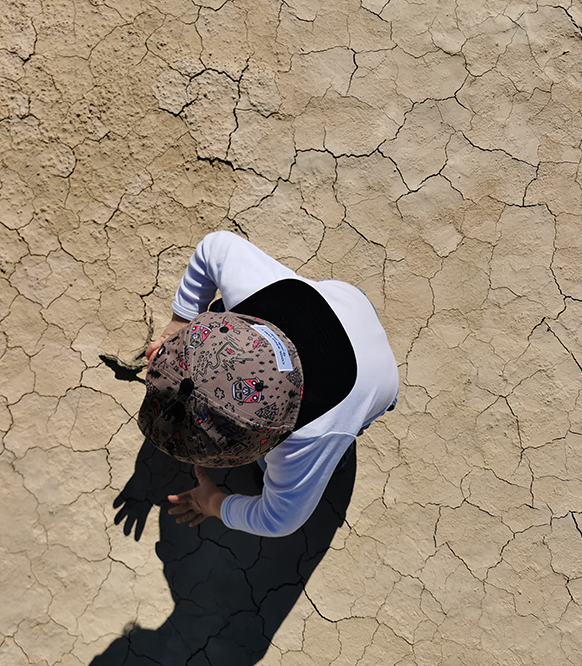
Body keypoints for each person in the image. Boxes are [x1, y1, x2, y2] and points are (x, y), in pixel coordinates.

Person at [138, 230, 398, 537]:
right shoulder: (254, 293)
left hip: (378, 384)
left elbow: (278, 520)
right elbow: (214, 246)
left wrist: (213, 503)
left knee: (275, 469)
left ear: (270, 439)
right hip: (348, 303)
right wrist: (178, 327)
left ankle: (343, 451)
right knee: (223, 308)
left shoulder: (307, 436)